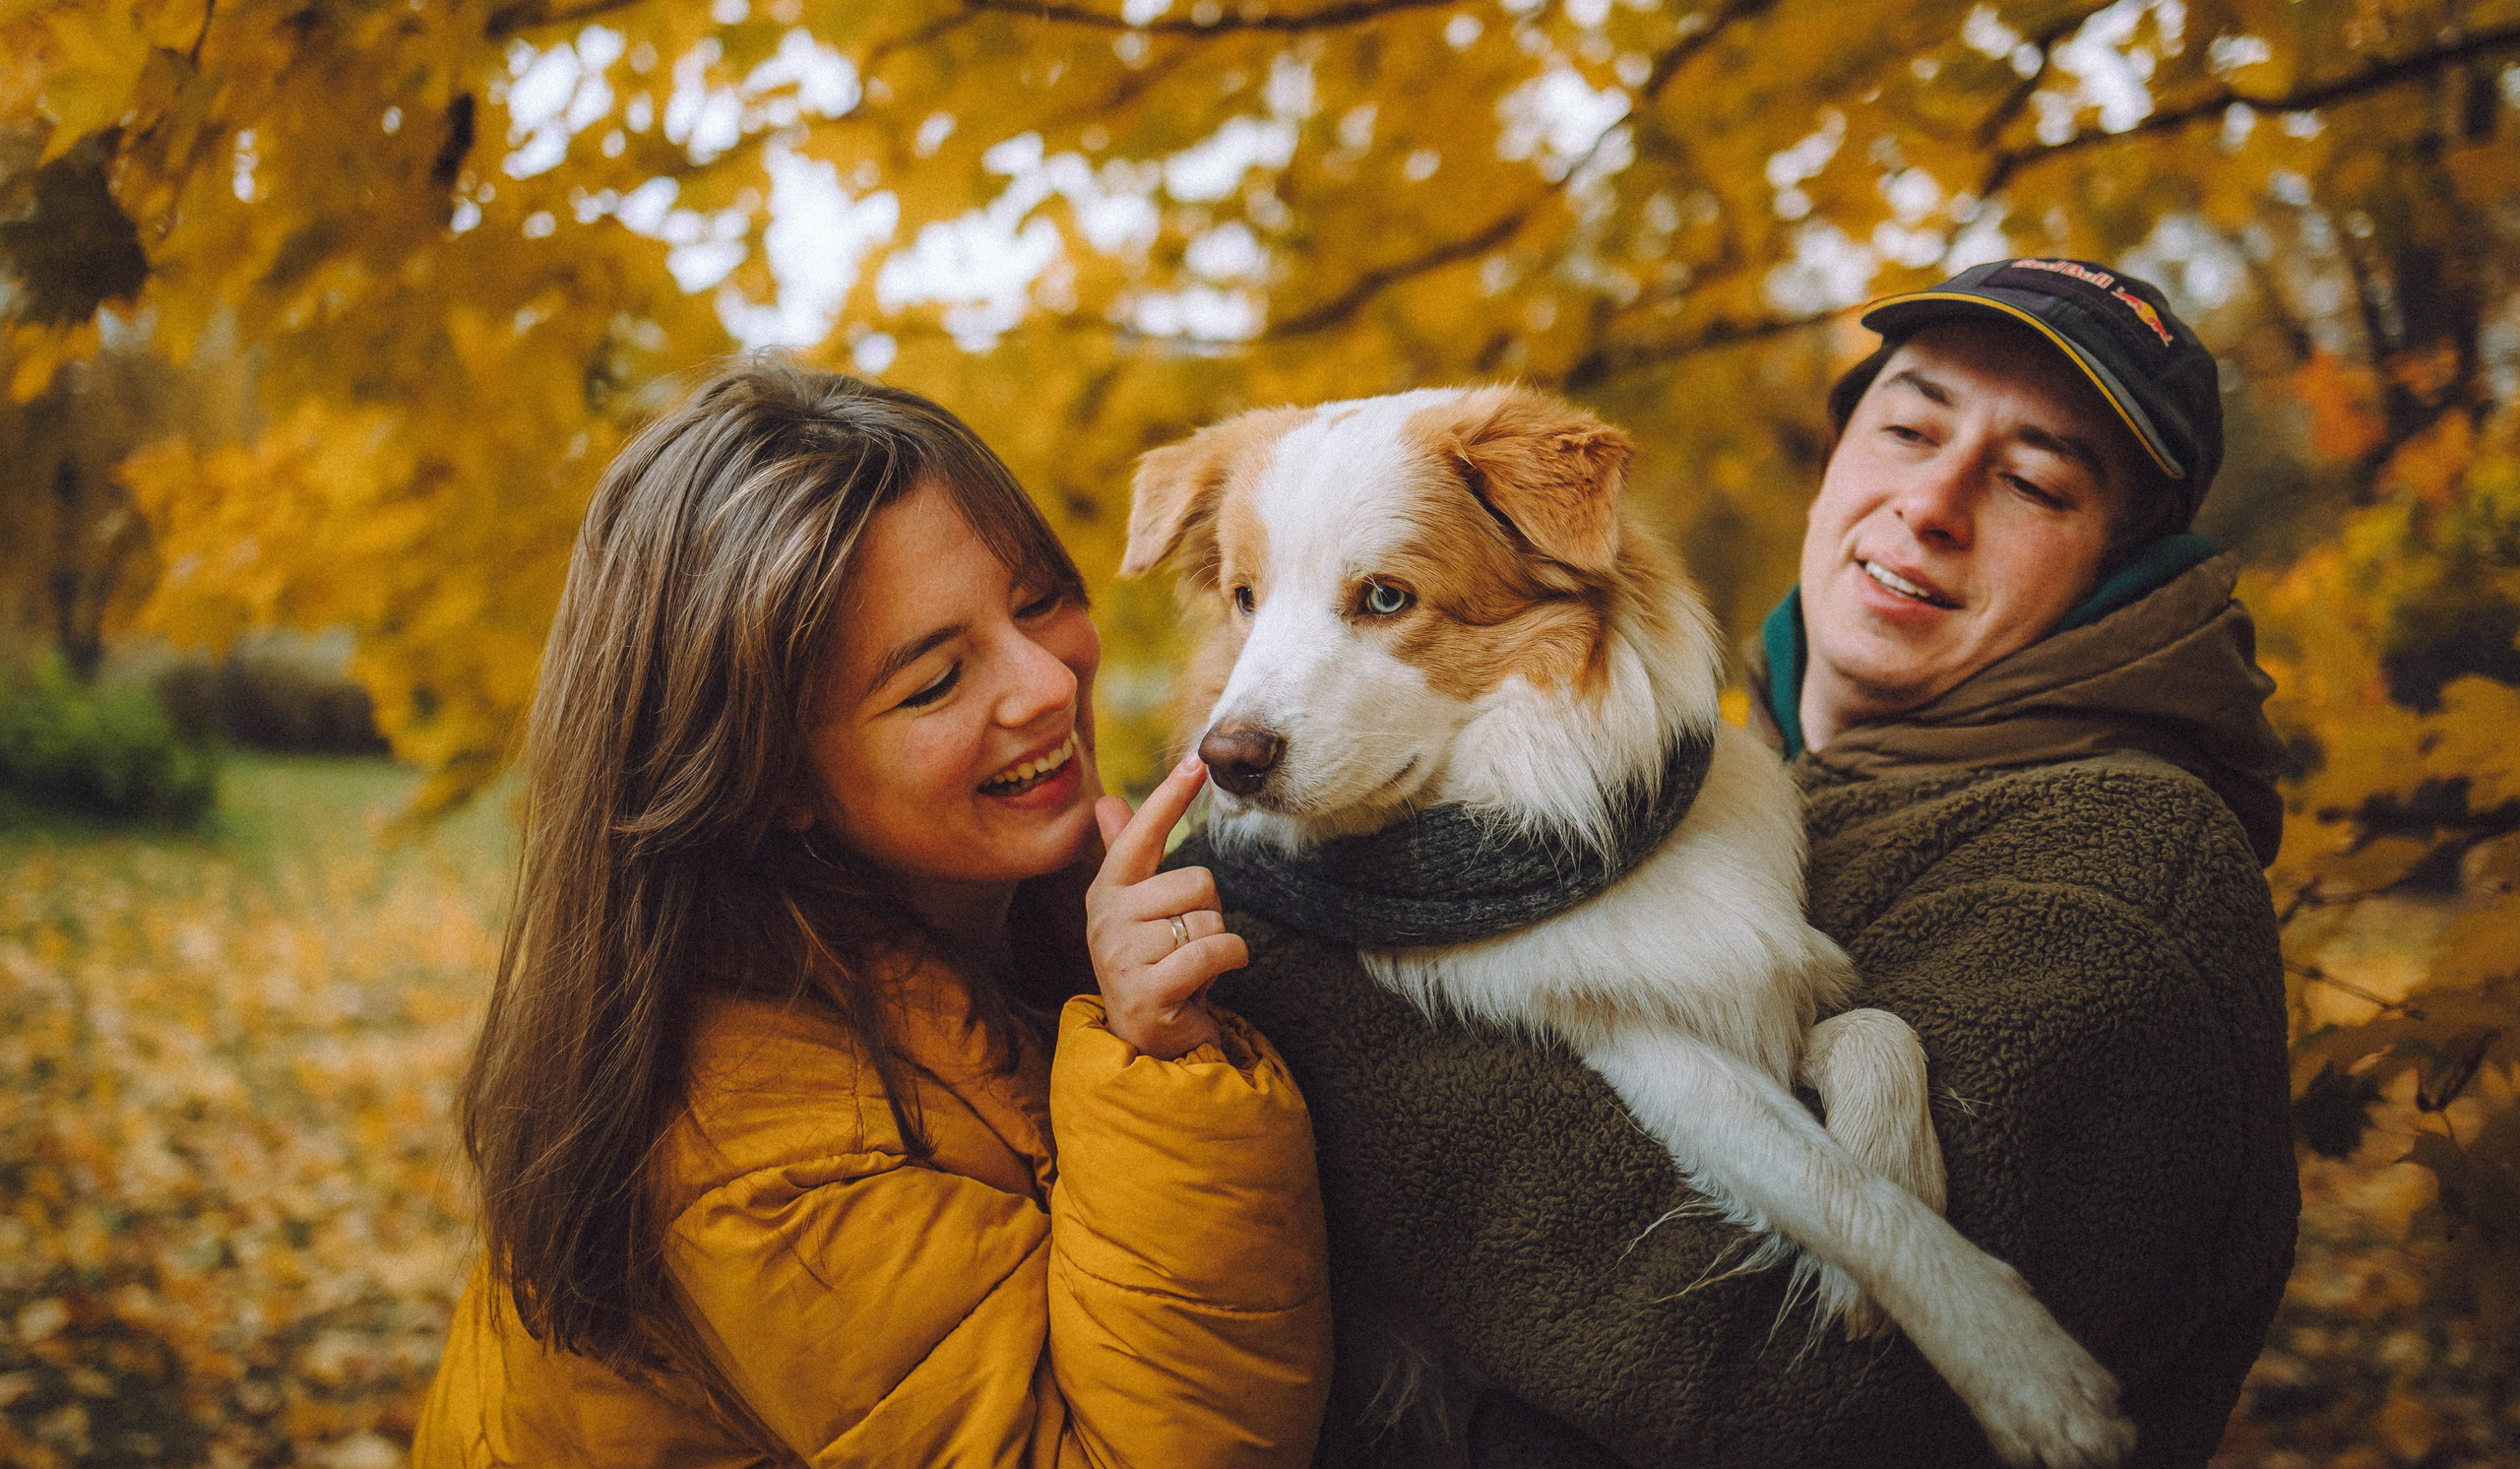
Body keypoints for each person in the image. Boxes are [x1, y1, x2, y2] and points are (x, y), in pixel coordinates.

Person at [1209, 258, 2297, 1468]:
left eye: (2033, 482)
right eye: (1906, 426)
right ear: (1833, 463)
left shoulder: (2124, 856)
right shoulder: (1712, 788)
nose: (1932, 502)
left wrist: (1286, 969)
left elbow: (1806, 1402)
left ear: (2123, 568)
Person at [413, 363, 1332, 1468]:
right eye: (936, 681)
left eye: (1037, 599)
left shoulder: (1028, 897)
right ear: (767, 778)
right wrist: (1162, 1069)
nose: (1045, 681)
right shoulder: (752, 1156)